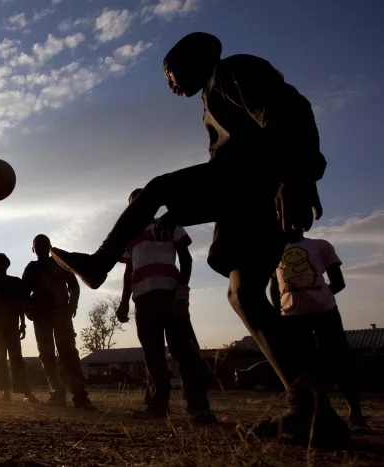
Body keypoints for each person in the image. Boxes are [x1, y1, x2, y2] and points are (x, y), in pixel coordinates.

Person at [50, 32, 350, 444]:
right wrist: (185, 209)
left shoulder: (232, 71)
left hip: (256, 184)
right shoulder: (212, 98)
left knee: (154, 188)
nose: (171, 85)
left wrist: (295, 178)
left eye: (170, 74)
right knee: (242, 295)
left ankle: (100, 262)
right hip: (245, 197)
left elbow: (291, 110)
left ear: (193, 59)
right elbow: (221, 172)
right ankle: (313, 409)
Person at [117, 189, 216, 424]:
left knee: (184, 350)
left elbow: (187, 258)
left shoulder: (169, 224)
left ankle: (199, 407)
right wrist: (123, 302)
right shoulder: (130, 233)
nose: (139, 207)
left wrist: (182, 291)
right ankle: (157, 406)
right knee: (153, 354)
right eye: (134, 204)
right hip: (142, 297)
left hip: (170, 294)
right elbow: (128, 270)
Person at [270, 232, 371, 433]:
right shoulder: (274, 251)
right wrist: (279, 311)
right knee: (306, 365)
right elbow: (274, 286)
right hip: (293, 316)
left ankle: (356, 414)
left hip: (325, 312)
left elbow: (338, 281)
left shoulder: (321, 245)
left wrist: (318, 295)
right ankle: (322, 414)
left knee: (340, 359)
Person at [22, 235, 95, 410]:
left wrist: (72, 305)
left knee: (68, 352)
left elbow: (74, 286)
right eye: (37, 245)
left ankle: (79, 395)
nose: (40, 248)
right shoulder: (31, 268)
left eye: (43, 245)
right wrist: (29, 311)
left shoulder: (60, 263)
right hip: (41, 316)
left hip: (61, 313)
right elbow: (23, 292)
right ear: (33, 249)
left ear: (49, 247)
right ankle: (58, 392)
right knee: (47, 355)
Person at [0, 253, 39, 403]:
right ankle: (5, 393)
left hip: (12, 325)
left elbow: (20, 304)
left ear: (7, 265)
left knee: (16, 359)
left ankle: (25, 392)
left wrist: (22, 324)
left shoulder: (15, 282)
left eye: (2, 263)